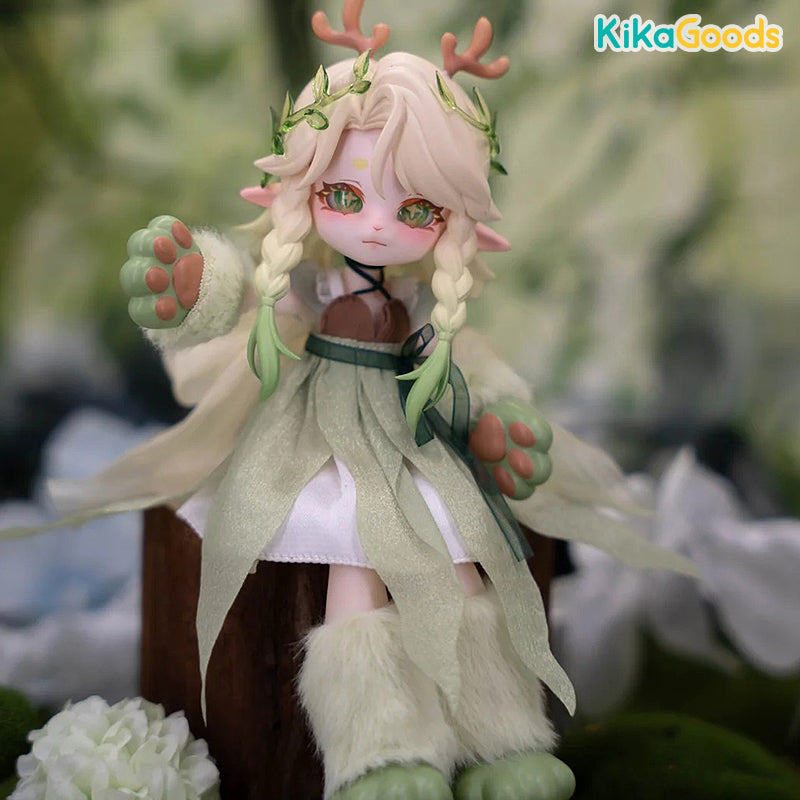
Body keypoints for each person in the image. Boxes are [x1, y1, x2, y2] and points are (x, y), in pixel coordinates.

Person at [11, 4, 694, 799]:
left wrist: (496, 421)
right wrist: (197, 282)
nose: (375, 227)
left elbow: (468, 371)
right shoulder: (313, 282)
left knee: (463, 566)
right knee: (354, 574)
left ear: (450, 217)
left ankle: (501, 740)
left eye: (414, 210)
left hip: (412, 443)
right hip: (319, 445)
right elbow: (244, 298)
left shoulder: (424, 306)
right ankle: (378, 754)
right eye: (345, 195)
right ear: (307, 186)